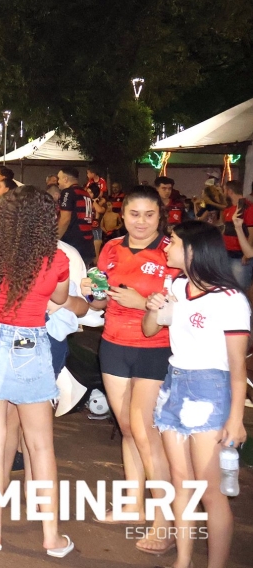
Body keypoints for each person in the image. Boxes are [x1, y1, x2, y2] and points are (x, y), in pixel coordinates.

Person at [0, 185, 73, 557]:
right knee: (41, 444)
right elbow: (59, 298)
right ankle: (52, 537)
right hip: (29, 343)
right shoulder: (55, 258)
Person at [143, 221, 249, 568]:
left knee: (211, 491)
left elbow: (238, 366)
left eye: (172, 241)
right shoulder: (175, 285)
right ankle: (184, 559)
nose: (166, 247)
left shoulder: (230, 300)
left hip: (210, 390)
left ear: (193, 249)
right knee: (180, 482)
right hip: (174, 384)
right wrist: (153, 307)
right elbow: (150, 330)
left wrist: (236, 419)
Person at [81, 184, 179, 554]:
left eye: (149, 215)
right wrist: (91, 290)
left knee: (145, 431)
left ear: (159, 215)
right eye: (134, 214)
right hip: (113, 343)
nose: (141, 221)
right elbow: (99, 301)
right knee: (127, 428)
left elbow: (183, 306)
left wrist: (143, 303)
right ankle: (133, 504)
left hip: (155, 347)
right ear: (122, 215)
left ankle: (165, 521)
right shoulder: (110, 247)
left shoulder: (172, 252)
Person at [56, 166, 95, 264]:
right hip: (87, 244)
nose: (58, 182)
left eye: (59, 178)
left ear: (65, 179)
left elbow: (65, 219)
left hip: (73, 245)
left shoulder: (68, 193)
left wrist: (54, 240)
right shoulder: (85, 193)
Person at [221, 180, 253, 291]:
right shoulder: (228, 209)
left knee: (240, 288)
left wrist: (246, 254)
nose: (223, 192)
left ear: (229, 191)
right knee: (228, 287)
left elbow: (251, 232)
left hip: (240, 255)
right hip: (227, 253)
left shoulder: (248, 208)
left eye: (224, 190)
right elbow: (226, 229)